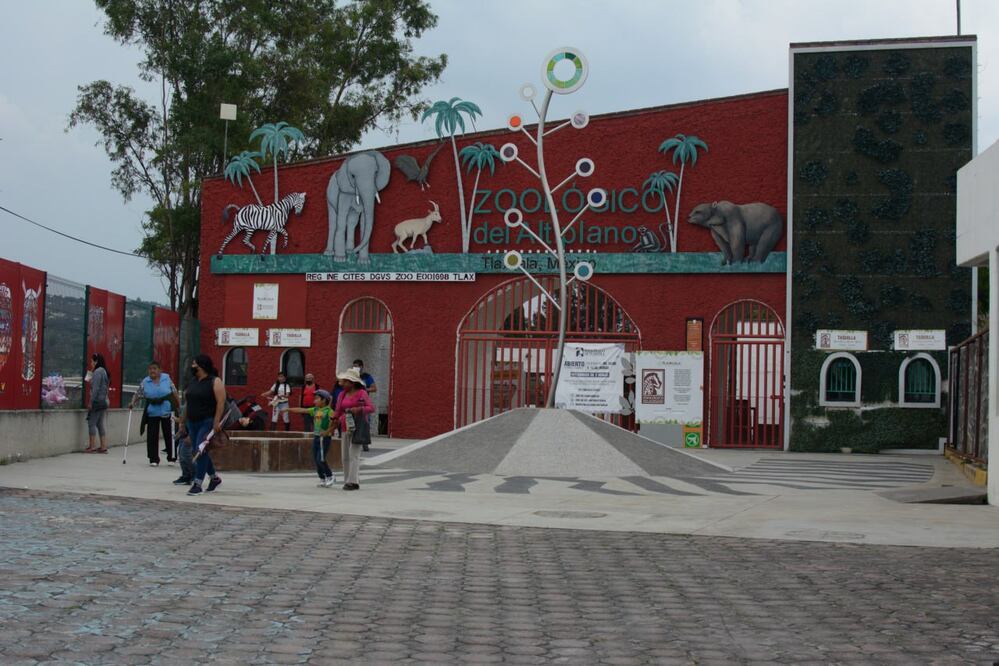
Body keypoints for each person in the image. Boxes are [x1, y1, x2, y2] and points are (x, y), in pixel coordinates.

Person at [178, 354, 225, 496]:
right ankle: (214, 478)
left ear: (202, 365)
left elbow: (221, 402)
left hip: (207, 421)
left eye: (194, 364)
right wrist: (182, 421)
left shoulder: (215, 381)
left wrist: (216, 421)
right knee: (198, 451)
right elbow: (187, 404)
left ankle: (197, 484)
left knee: (201, 449)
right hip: (192, 421)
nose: (192, 367)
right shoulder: (192, 382)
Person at [130, 361, 180, 466]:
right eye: (150, 369)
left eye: (154, 369)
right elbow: (138, 393)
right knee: (152, 435)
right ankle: (153, 459)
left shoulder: (166, 378)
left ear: (160, 370)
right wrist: (132, 403)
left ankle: (171, 458)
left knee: (169, 435)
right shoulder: (145, 381)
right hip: (153, 411)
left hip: (167, 410)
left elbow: (174, 391)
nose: (152, 371)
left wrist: (178, 405)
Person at [333, 367, 374, 491]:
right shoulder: (342, 394)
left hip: (358, 427)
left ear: (352, 382)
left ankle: (352, 482)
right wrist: (334, 419)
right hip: (345, 426)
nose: (343, 384)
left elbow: (371, 408)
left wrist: (358, 409)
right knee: (345, 455)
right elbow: (338, 410)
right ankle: (348, 479)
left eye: (345, 381)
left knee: (354, 455)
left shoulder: (362, 393)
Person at [289, 389, 336, 487]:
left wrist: (327, 432)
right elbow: (302, 410)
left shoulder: (329, 411)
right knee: (316, 459)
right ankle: (322, 478)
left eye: (317, 398)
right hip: (316, 438)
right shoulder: (315, 410)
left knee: (321, 459)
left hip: (325, 439)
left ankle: (330, 476)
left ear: (324, 400)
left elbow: (335, 423)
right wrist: (288, 409)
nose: (314, 401)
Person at [84, 353, 111, 454]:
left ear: (96, 362)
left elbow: (95, 389)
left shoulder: (98, 372)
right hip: (104, 401)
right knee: (100, 424)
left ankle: (92, 446)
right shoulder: (103, 371)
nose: (91, 363)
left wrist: (91, 402)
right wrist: (91, 372)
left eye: (92, 361)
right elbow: (87, 380)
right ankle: (103, 446)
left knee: (91, 423)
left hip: (97, 401)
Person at [352, 359, 377, 450]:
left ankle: (365, 443)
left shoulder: (367, 377)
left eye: (357, 366)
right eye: (354, 366)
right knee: (352, 422)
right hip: (352, 403)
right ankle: (354, 441)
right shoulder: (351, 376)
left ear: (361, 367)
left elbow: (374, 388)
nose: (355, 368)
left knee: (365, 423)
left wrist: (364, 390)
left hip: (363, 403)